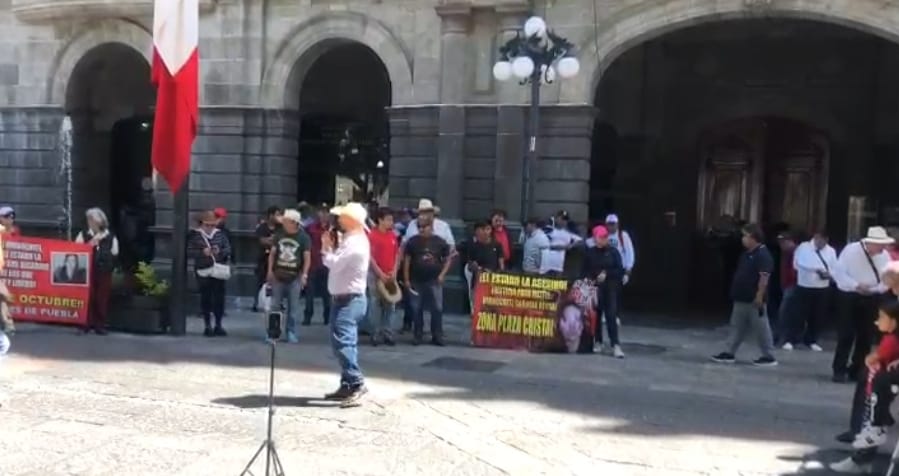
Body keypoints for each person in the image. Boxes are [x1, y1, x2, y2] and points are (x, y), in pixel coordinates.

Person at [830, 300, 899, 474]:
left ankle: (862, 458)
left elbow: (876, 357)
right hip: (880, 384)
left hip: (883, 386)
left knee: (872, 421)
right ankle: (862, 459)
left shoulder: (891, 340)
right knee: (871, 417)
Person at [321, 202, 371, 408]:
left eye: (341, 217)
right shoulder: (351, 239)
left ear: (351, 220)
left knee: (343, 342)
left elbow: (334, 263)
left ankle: (356, 382)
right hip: (344, 298)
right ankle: (347, 383)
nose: (338, 220)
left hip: (349, 299)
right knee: (342, 342)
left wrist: (325, 248)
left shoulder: (356, 243)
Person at [831, 226, 893, 383]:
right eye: (879, 245)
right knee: (846, 334)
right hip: (849, 295)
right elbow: (839, 273)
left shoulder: (884, 256)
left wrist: (875, 289)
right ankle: (839, 369)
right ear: (870, 243)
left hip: (872, 297)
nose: (882, 248)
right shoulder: (850, 251)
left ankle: (857, 369)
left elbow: (888, 277)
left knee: (866, 335)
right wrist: (856, 285)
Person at [711, 223, 778, 367]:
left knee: (761, 328)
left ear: (753, 237)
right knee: (736, 326)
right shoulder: (747, 254)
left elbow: (764, 276)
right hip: (741, 297)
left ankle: (769, 355)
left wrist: (760, 295)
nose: (743, 239)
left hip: (754, 299)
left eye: (745, 236)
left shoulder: (763, 255)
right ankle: (729, 352)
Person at [404, 219, 453, 346]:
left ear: (431, 228)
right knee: (416, 308)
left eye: (424, 227)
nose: (421, 230)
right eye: (419, 227)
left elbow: (448, 259)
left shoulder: (439, 242)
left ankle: (437, 335)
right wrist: (406, 279)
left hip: (434, 279)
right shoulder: (413, 241)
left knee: (437, 308)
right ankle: (418, 335)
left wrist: (442, 274)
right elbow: (407, 260)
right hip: (416, 279)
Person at [786, 231, 837, 351]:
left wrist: (829, 274)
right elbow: (797, 264)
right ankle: (791, 339)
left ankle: (811, 339)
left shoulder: (831, 251)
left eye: (824, 241)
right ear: (815, 238)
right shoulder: (804, 247)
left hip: (822, 287)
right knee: (798, 314)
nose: (822, 244)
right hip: (804, 285)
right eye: (820, 240)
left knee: (817, 315)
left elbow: (835, 267)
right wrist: (815, 270)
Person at [267, 209, 311, 343]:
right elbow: (273, 254)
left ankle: (291, 332)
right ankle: (273, 333)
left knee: (293, 307)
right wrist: (269, 271)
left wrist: (304, 274)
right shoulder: (279, 235)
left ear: (293, 223)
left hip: (295, 277)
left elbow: (307, 257)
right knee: (275, 306)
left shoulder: (303, 237)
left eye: (286, 221)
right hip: (278, 275)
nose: (283, 223)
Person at [582, 225, 626, 358]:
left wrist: (607, 274)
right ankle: (598, 341)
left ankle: (615, 345)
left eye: (605, 237)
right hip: (595, 289)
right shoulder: (590, 252)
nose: (602, 240)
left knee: (611, 316)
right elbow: (585, 270)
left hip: (610, 288)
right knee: (596, 315)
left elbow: (619, 270)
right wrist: (592, 278)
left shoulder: (613, 252)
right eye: (599, 238)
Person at [75, 207, 119, 335]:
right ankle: (86, 323)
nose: (91, 222)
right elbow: (76, 250)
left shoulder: (110, 236)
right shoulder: (83, 234)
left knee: (102, 298)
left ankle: (100, 325)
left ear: (100, 221)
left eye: (93, 220)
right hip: (87, 271)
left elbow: (115, 252)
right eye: (89, 220)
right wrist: (90, 244)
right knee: (88, 297)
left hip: (104, 271)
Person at [187, 210, 232, 337]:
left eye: (212, 225)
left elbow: (228, 249)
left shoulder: (220, 234)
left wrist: (219, 252)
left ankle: (218, 324)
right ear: (202, 224)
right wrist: (202, 253)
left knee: (219, 297)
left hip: (218, 269)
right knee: (206, 297)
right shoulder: (195, 235)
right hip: (203, 269)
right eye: (207, 225)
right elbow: (189, 251)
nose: (210, 228)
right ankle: (207, 325)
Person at [367, 207, 400, 346]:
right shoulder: (372, 235)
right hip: (375, 275)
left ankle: (388, 332)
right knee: (375, 303)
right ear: (380, 220)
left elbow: (397, 254)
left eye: (391, 220)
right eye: (388, 219)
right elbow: (370, 257)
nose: (391, 222)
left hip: (390, 275)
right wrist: (379, 272)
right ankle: (375, 333)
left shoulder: (392, 235)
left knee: (390, 305)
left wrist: (394, 271)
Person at [462, 221, 504, 307]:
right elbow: (470, 265)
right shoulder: (474, 246)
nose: (485, 232)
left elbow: (501, 264)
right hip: (479, 278)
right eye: (483, 229)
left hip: (493, 278)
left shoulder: (497, 245)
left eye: (488, 229)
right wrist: (478, 268)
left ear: (491, 230)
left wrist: (497, 274)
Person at [304, 205, 331, 325]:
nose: (324, 215)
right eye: (322, 212)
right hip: (313, 263)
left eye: (326, 212)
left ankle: (327, 316)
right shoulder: (310, 228)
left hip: (327, 265)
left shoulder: (332, 230)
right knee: (309, 293)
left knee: (327, 294)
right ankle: (308, 316)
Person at [253, 206, 282, 312]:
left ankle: (276, 302)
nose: (279, 217)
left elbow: (281, 241)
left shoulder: (281, 227)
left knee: (277, 282)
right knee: (260, 280)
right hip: (263, 258)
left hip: (277, 259)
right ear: (271, 215)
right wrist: (273, 241)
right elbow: (262, 241)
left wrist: (271, 241)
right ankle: (257, 302)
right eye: (277, 214)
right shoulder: (262, 227)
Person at [774, 232, 798, 346]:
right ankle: (783, 337)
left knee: (785, 312)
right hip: (786, 285)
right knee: (786, 312)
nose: (781, 245)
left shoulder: (795, 253)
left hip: (792, 285)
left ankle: (785, 337)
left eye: (783, 242)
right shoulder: (785, 253)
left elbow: (793, 270)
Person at [542, 210, 582, 276]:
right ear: (557, 219)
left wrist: (571, 245)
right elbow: (544, 244)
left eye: (565, 220)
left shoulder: (569, 232)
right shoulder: (549, 229)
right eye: (561, 219)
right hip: (546, 263)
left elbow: (580, 241)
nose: (563, 221)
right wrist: (560, 247)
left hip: (559, 265)